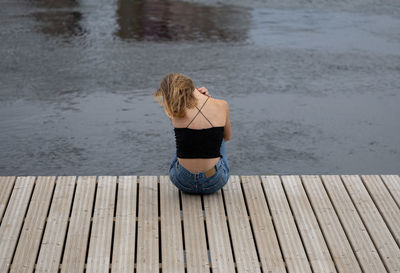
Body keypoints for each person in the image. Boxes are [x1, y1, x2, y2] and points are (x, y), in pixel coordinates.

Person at [153, 73, 232, 194]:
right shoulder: (222, 105)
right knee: (218, 134)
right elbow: (227, 137)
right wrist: (208, 99)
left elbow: (159, 99)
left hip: (182, 180)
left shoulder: (174, 112)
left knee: (183, 138)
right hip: (215, 179)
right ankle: (210, 168)